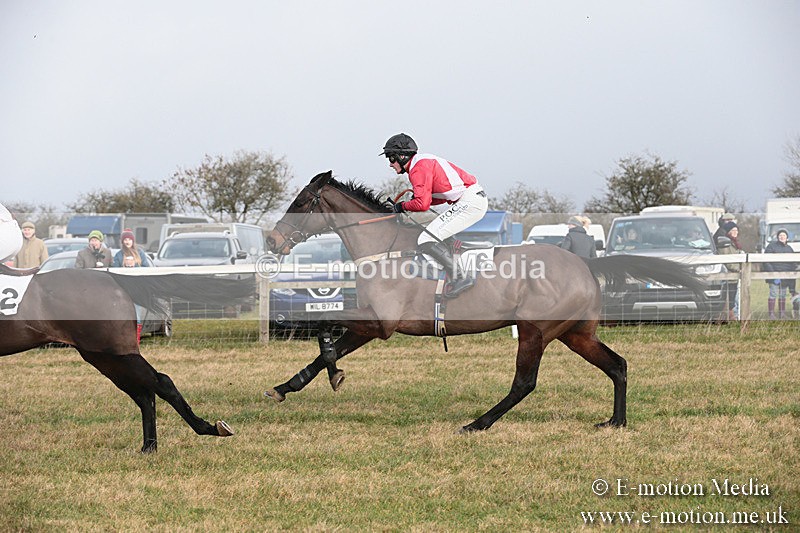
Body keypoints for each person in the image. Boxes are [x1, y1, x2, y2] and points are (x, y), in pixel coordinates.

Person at [381, 133, 488, 298]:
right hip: (470, 199)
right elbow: (431, 200)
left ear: (402, 156)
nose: (390, 164)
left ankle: (461, 277)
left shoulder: (417, 168)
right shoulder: (420, 163)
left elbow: (422, 204)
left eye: (391, 158)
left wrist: (401, 206)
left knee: (425, 239)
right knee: (431, 232)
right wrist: (411, 203)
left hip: (470, 201)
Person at [112, 229, 152, 343]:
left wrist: (135, 267)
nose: (127, 241)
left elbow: (147, 269)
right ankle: (123, 340)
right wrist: (124, 268)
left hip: (136, 290)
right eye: (125, 239)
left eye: (129, 239)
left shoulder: (140, 253)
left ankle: (136, 341)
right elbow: (114, 270)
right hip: (123, 290)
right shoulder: (119, 255)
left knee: (137, 316)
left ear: (133, 241)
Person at [764, 228, 796, 319]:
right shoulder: (771, 246)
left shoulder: (789, 249)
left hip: (785, 276)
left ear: (787, 237)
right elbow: (766, 261)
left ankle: (782, 313)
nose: (782, 237)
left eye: (784, 236)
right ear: (778, 237)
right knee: (773, 293)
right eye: (780, 235)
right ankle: (771, 314)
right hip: (774, 275)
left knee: (782, 294)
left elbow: (792, 263)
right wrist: (773, 274)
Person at [717, 221, 744, 319]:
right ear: (728, 232)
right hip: (728, 276)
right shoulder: (725, 244)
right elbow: (727, 261)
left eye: (737, 230)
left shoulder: (735, 244)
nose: (736, 232)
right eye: (733, 230)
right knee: (727, 299)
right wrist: (738, 269)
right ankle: (729, 317)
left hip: (734, 276)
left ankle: (732, 316)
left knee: (732, 298)